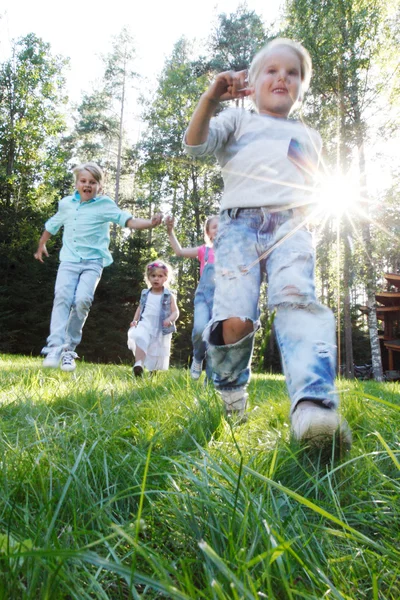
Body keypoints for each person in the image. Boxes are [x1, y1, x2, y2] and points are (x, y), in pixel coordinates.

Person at [183, 37, 351, 447]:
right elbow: (195, 145)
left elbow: (315, 185)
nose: (282, 78)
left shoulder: (309, 135)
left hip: (291, 227)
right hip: (238, 227)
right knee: (235, 315)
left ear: (300, 88)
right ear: (251, 84)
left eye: (292, 73)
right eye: (271, 71)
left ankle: (313, 408)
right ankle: (229, 391)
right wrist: (211, 97)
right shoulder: (237, 122)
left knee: (298, 301)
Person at [34, 162, 162, 372]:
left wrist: (150, 223)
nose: (87, 185)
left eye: (92, 182)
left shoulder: (105, 205)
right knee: (62, 297)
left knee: (82, 300)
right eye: (83, 181)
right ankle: (55, 346)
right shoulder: (66, 204)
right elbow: (52, 224)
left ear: (99, 186)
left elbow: (127, 221)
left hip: (93, 262)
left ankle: (69, 350)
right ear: (76, 183)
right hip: (69, 261)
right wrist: (41, 245)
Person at [165, 214, 218, 380]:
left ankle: (210, 379)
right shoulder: (204, 251)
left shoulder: (232, 253)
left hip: (223, 299)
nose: (220, 229)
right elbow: (179, 251)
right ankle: (197, 357)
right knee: (200, 329)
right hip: (204, 297)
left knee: (216, 338)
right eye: (215, 227)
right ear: (209, 233)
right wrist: (170, 231)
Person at [127, 260, 179, 376]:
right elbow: (140, 308)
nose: (156, 279)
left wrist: (170, 319)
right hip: (145, 323)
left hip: (160, 327)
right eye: (153, 276)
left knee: (156, 351)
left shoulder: (169, 295)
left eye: (160, 276)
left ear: (166, 278)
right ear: (148, 278)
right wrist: (135, 320)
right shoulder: (145, 293)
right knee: (140, 337)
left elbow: (176, 311)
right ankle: (138, 364)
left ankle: (152, 375)